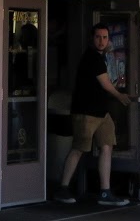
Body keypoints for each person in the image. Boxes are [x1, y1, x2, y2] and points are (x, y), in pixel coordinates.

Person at [53, 23, 134, 206]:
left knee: (107, 146)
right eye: (98, 37)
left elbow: (105, 83)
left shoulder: (101, 58)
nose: (101, 41)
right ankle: (62, 188)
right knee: (79, 148)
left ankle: (105, 191)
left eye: (105, 37)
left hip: (101, 112)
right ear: (92, 38)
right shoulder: (91, 58)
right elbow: (105, 84)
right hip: (86, 112)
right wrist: (120, 96)